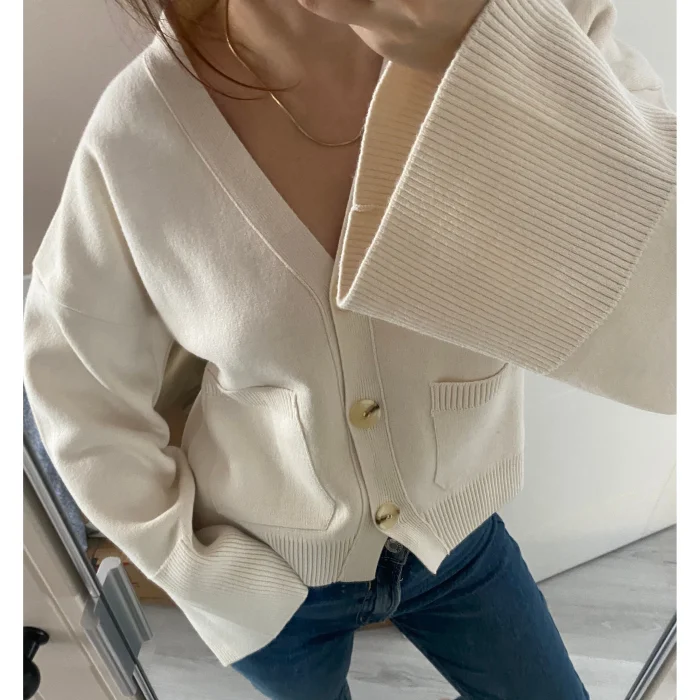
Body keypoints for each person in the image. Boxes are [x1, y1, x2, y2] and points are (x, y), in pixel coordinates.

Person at [24, 0, 676, 698]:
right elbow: (76, 393)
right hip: (270, 573)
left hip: (458, 538)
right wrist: (207, 573)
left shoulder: (549, 25)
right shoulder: (136, 137)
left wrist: (499, 57)